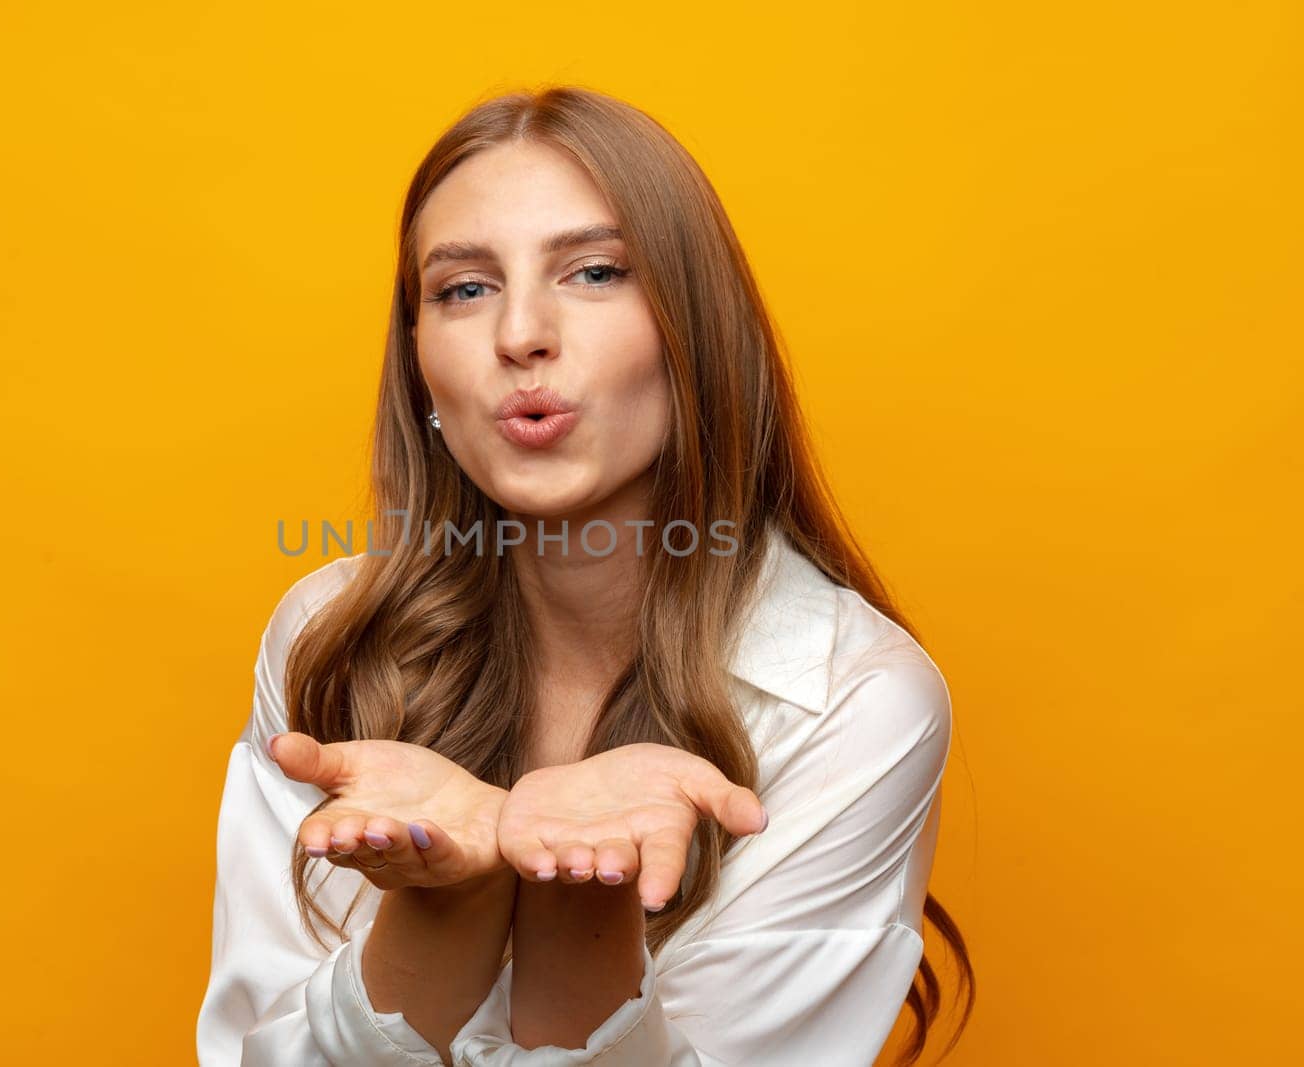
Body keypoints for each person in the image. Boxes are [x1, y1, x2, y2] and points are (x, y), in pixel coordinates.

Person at [196, 85, 974, 1066]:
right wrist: (449, 901)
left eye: (595, 272)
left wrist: (577, 905)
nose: (519, 333)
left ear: (692, 335)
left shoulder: (853, 699)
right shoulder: (330, 638)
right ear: (421, 374)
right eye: (463, 288)